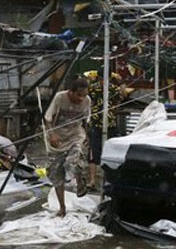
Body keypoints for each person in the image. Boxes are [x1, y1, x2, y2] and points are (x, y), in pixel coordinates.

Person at [44, 77, 91, 217]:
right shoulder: (60, 98)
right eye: (79, 95)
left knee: (73, 161)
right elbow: (48, 119)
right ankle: (62, 208)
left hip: (75, 135)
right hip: (56, 139)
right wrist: (52, 134)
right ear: (71, 92)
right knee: (56, 174)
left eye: (84, 95)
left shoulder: (87, 101)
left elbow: (86, 120)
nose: (81, 99)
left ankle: (80, 181)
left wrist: (87, 135)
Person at [85, 71, 122, 190]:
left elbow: (88, 101)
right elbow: (119, 101)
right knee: (110, 152)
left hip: (96, 122)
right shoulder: (114, 88)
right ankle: (108, 180)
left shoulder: (92, 88)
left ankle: (92, 181)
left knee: (93, 152)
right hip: (110, 122)